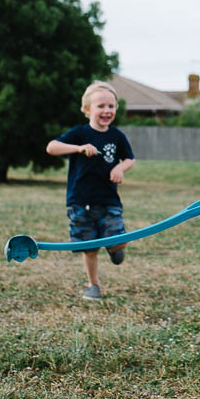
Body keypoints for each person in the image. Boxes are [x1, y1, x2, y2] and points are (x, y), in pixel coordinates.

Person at [46, 80, 136, 301]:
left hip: (109, 200)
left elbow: (130, 159)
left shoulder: (116, 136)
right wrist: (78, 148)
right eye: (101, 106)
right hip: (80, 201)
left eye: (111, 106)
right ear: (87, 110)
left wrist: (120, 167)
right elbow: (52, 147)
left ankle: (115, 248)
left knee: (118, 238)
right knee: (89, 248)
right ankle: (93, 285)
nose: (107, 110)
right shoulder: (79, 133)